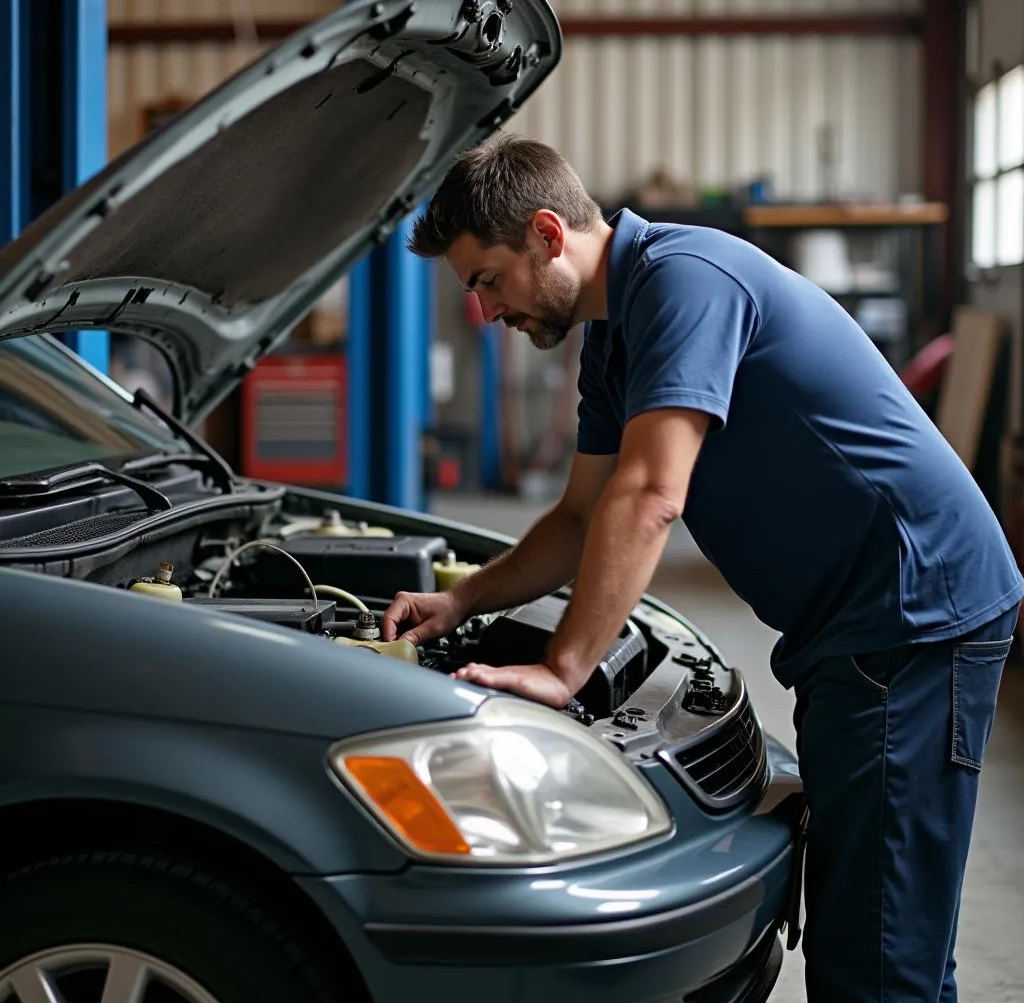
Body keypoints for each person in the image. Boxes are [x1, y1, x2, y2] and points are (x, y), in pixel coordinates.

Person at [380, 134, 1024, 1003]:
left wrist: (563, 671)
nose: (487, 311)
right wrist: (459, 600)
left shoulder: (684, 281)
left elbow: (649, 495)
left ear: (545, 233)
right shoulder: (613, 339)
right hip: (856, 628)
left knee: (877, 967)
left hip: (912, 618)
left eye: (488, 279)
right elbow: (579, 516)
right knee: (882, 935)